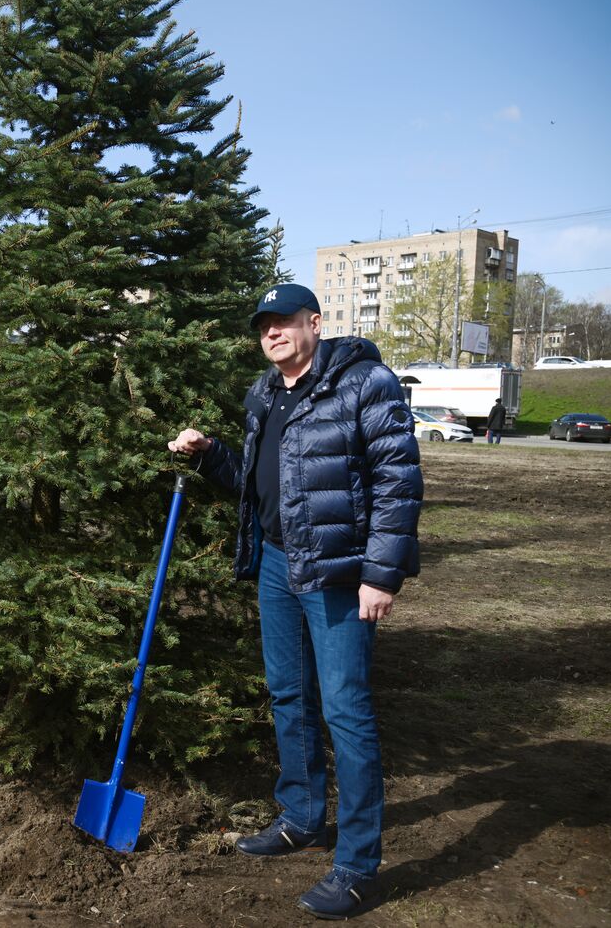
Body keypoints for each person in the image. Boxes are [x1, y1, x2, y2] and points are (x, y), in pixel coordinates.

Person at [168, 283, 423, 920]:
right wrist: (210, 456)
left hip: (340, 575)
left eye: (285, 322)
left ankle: (359, 865)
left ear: (315, 322)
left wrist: (381, 575)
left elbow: (399, 482)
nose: (274, 333)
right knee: (288, 693)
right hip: (279, 566)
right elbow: (255, 485)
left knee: (346, 710)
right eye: (265, 326)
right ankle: (301, 817)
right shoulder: (264, 393)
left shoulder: (366, 383)